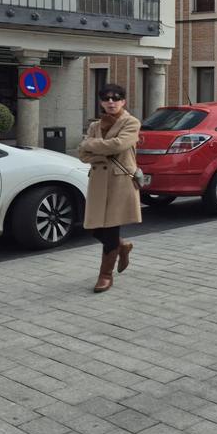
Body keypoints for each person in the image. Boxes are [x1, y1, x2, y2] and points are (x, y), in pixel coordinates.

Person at [77, 84, 141, 293]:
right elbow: (82, 155)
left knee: (111, 228)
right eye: (106, 99)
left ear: (123, 101)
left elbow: (118, 145)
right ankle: (122, 246)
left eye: (116, 98)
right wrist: (95, 147)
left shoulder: (131, 122)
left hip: (119, 181)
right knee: (95, 228)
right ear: (101, 102)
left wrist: (90, 145)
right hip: (97, 181)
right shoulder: (95, 125)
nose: (111, 102)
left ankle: (105, 275)